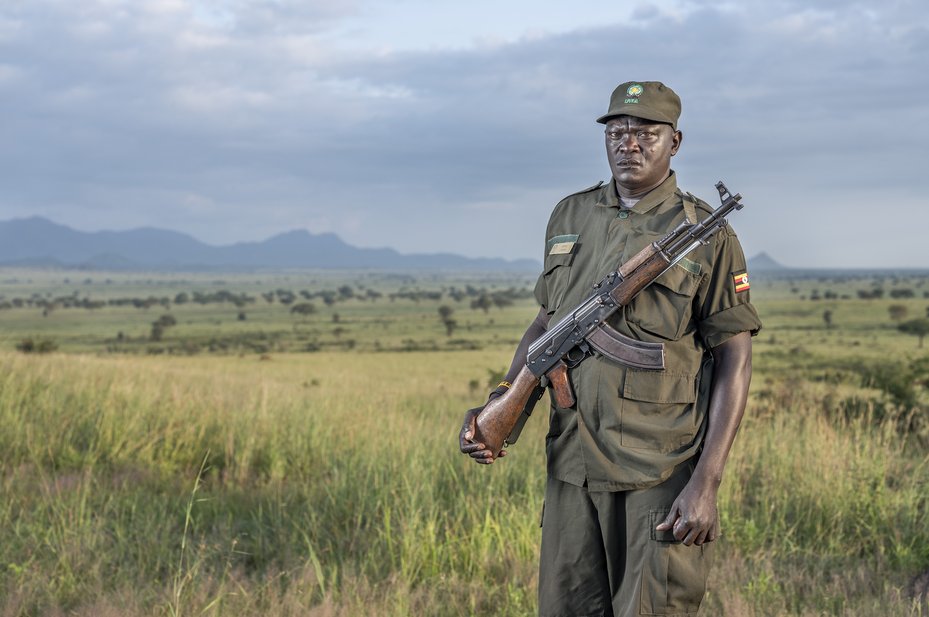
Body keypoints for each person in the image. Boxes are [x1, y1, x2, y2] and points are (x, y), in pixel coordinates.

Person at [459, 81, 762, 617]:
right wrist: (502, 400)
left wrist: (706, 483)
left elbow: (734, 356)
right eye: (617, 131)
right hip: (572, 465)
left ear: (675, 141)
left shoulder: (704, 233)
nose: (629, 143)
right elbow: (546, 325)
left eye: (646, 132)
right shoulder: (570, 215)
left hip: (658, 470)